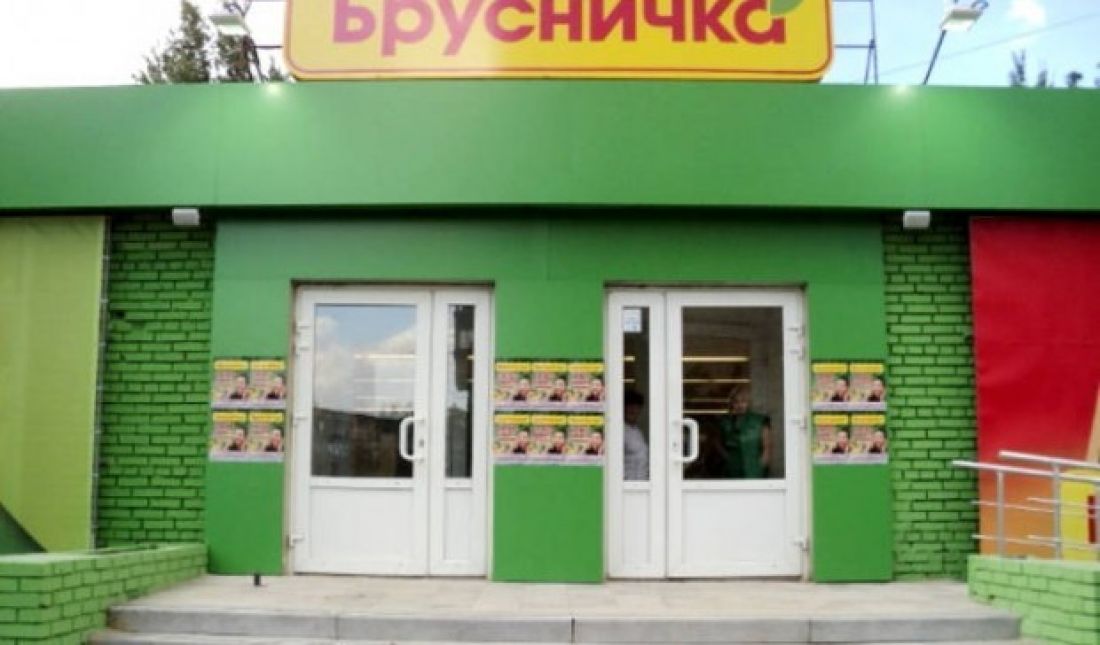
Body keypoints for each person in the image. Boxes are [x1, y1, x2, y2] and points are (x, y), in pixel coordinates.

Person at [719, 386, 772, 479]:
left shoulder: (760, 421)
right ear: (732, 403)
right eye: (736, 402)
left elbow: (767, 447)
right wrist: (727, 458)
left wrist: (760, 466)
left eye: (743, 401)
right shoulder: (725, 422)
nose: (740, 405)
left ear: (749, 402)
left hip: (754, 467)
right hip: (732, 469)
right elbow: (716, 442)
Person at [623, 389, 649, 480]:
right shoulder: (619, 432)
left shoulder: (637, 431)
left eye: (636, 407)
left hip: (641, 482)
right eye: (630, 406)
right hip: (626, 483)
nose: (633, 410)